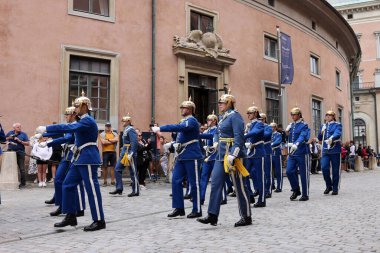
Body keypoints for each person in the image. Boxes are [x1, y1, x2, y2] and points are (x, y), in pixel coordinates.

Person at [36, 91, 105, 231]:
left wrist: (47, 128)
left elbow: (68, 128)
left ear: (85, 107)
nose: (75, 109)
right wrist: (46, 135)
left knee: (92, 190)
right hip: (79, 158)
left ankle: (99, 220)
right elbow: (67, 132)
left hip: (88, 158)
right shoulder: (82, 121)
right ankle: (71, 215)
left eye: (77, 106)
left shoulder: (87, 120)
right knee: (67, 184)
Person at [197, 91, 252, 227]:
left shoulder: (235, 117)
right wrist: (215, 142)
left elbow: (239, 136)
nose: (219, 105)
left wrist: (234, 154)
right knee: (215, 183)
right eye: (219, 103)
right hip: (221, 154)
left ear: (229, 104)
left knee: (239, 186)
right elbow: (217, 132)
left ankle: (246, 216)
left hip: (233, 155)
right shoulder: (223, 117)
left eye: (222, 103)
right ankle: (212, 215)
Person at [152, 97, 203, 218]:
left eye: (184, 108)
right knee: (176, 180)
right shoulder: (184, 121)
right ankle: (179, 207)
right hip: (182, 155)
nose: (182, 109)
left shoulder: (192, 121)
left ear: (190, 109)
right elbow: (180, 135)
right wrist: (173, 144)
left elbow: (178, 128)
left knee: (194, 183)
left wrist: (160, 128)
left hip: (192, 154)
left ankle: (197, 209)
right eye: (182, 107)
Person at [40, 106, 86, 217]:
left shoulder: (75, 125)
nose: (65, 117)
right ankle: (64, 205)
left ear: (73, 115)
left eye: (67, 115)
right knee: (60, 179)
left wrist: (48, 143)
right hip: (67, 154)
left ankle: (78, 208)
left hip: (73, 154)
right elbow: (60, 132)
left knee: (71, 182)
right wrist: (43, 135)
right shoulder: (70, 125)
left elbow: (66, 138)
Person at [110, 114, 139, 197]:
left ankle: (135, 190)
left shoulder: (131, 129)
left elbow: (134, 142)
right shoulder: (126, 129)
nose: (123, 122)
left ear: (129, 122)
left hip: (129, 152)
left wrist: (132, 152)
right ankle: (119, 187)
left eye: (125, 121)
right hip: (124, 152)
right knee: (117, 169)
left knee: (133, 172)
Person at [285, 107, 310, 201]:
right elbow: (288, 137)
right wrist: (286, 132)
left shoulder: (304, 125)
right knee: (289, 171)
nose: (292, 116)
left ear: (299, 115)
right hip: (292, 152)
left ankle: (305, 194)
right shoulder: (291, 125)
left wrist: (297, 143)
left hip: (302, 151)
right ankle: (296, 189)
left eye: (294, 114)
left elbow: (303, 135)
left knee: (303, 174)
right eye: (291, 115)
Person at [244, 105, 265, 208]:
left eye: (250, 113)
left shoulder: (259, 124)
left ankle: (262, 199)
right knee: (245, 174)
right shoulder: (250, 125)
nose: (248, 115)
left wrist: (245, 136)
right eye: (247, 113)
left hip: (258, 152)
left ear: (255, 114)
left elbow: (255, 132)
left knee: (260, 176)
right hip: (250, 152)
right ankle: (250, 194)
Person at [318, 110, 342, 195]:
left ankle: (335, 188)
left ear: (333, 117)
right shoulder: (323, 125)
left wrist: (331, 138)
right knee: (324, 168)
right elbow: (320, 138)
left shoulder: (337, 125)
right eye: (326, 115)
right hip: (325, 150)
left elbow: (338, 133)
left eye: (329, 115)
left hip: (335, 149)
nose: (327, 117)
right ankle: (328, 185)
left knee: (335, 170)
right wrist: (321, 131)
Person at [199, 111, 219, 205]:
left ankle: (222, 197)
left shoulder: (216, 130)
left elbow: (214, 140)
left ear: (215, 121)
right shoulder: (208, 130)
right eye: (207, 120)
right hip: (207, 157)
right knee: (204, 178)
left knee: (216, 178)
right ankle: (201, 198)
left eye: (210, 120)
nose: (208, 121)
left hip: (215, 156)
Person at [6, 123, 29, 188]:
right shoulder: (10, 133)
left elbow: (27, 143)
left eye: (20, 127)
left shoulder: (23, 134)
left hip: (20, 152)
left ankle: (23, 183)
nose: (19, 128)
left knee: (22, 168)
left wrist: (20, 141)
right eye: (18, 127)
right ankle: (10, 181)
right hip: (10, 152)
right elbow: (4, 140)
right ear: (14, 128)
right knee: (10, 168)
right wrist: (9, 138)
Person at [99, 122, 118, 186]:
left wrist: (108, 140)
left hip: (113, 151)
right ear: (105, 127)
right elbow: (103, 142)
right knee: (105, 167)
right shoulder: (102, 134)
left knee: (113, 166)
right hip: (105, 152)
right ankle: (105, 181)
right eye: (107, 126)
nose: (108, 127)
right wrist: (112, 141)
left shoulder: (114, 133)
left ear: (110, 127)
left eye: (109, 126)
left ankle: (113, 181)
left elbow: (116, 140)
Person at [260, 113, 273, 198]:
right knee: (258, 172)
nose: (259, 121)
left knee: (268, 172)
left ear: (264, 119)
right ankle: (260, 189)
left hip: (267, 150)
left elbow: (266, 135)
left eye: (261, 119)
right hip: (259, 151)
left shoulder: (268, 127)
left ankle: (268, 190)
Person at [270, 122, 283, 192]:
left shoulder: (278, 134)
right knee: (270, 170)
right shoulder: (269, 135)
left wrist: (271, 144)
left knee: (278, 171)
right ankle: (272, 184)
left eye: (272, 127)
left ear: (275, 127)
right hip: (270, 154)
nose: (270, 128)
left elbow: (277, 142)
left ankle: (279, 186)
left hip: (277, 154)